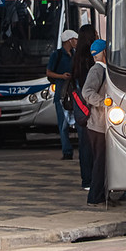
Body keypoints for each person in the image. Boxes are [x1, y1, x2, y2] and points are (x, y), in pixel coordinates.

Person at [81, 39, 110, 207]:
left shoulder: (102, 70)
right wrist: (104, 102)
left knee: (102, 161)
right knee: (100, 161)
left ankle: (100, 194)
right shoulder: (97, 70)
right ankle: (95, 196)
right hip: (97, 124)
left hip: (100, 124)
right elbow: (87, 91)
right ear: (105, 52)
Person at [70, 24, 97, 191]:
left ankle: (85, 179)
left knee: (84, 144)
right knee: (94, 143)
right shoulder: (91, 58)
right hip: (90, 104)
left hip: (79, 105)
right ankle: (92, 178)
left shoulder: (76, 57)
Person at [47, 29, 78, 160]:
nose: (76, 42)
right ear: (69, 41)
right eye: (75, 39)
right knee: (63, 124)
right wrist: (61, 76)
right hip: (61, 92)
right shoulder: (57, 55)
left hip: (74, 90)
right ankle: (67, 151)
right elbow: (48, 72)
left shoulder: (75, 54)